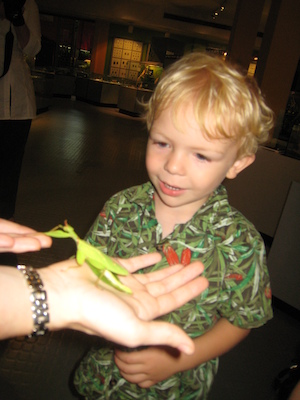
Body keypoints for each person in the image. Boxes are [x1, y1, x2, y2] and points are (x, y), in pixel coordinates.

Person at [73, 52, 274, 399]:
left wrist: (177, 360)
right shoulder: (120, 206)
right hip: (104, 370)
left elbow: (244, 318)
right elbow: (88, 269)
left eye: (201, 155)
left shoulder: (240, 242)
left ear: (237, 163)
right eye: (162, 142)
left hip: (172, 385)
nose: (173, 166)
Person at [0, 218, 208, 353]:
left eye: (67, 229)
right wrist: (54, 288)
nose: (67, 230)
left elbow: (81, 262)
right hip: (105, 272)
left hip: (109, 273)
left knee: (98, 269)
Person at [0, 0, 41, 220]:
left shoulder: (27, 4)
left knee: (10, 168)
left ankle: (3, 219)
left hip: (17, 105)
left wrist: (16, 17)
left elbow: (33, 47)